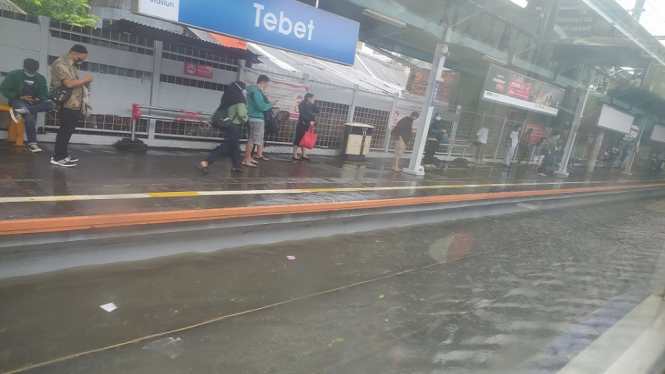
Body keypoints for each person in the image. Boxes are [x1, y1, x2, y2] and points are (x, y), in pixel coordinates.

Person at [49, 44, 93, 167]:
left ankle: (63, 155)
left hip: (74, 103)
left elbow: (76, 83)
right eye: (82, 58)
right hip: (66, 103)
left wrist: (86, 82)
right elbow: (69, 84)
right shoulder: (60, 64)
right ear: (74, 54)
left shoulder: (71, 66)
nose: (83, 61)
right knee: (65, 130)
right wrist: (86, 79)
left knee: (68, 130)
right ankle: (58, 157)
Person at [0, 58, 54, 153]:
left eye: (34, 72)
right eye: (29, 71)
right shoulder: (14, 75)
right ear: (24, 68)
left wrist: (38, 99)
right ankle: (32, 144)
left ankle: (26, 110)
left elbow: (44, 94)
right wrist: (20, 97)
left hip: (33, 103)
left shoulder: (40, 78)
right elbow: (4, 89)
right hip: (18, 100)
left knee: (52, 104)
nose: (32, 74)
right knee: (30, 116)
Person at [197, 81, 248, 174]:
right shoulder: (240, 98)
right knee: (228, 146)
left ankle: (237, 166)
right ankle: (206, 161)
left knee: (235, 146)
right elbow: (242, 113)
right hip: (234, 125)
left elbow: (219, 110)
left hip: (226, 124)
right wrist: (246, 119)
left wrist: (210, 120)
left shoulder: (227, 97)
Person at [243, 75, 274, 166]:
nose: (266, 86)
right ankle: (246, 159)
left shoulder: (251, 90)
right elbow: (262, 107)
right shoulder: (256, 92)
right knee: (253, 139)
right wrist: (271, 104)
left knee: (254, 138)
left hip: (254, 116)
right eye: (266, 84)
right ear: (262, 83)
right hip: (256, 117)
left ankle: (249, 157)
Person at [293, 93, 319, 161]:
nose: (313, 100)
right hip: (302, 123)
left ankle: (303, 155)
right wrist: (309, 120)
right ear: (308, 98)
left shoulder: (311, 105)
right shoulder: (302, 104)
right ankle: (295, 154)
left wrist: (313, 104)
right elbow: (302, 115)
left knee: (305, 139)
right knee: (298, 138)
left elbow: (317, 110)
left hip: (308, 124)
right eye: (312, 98)